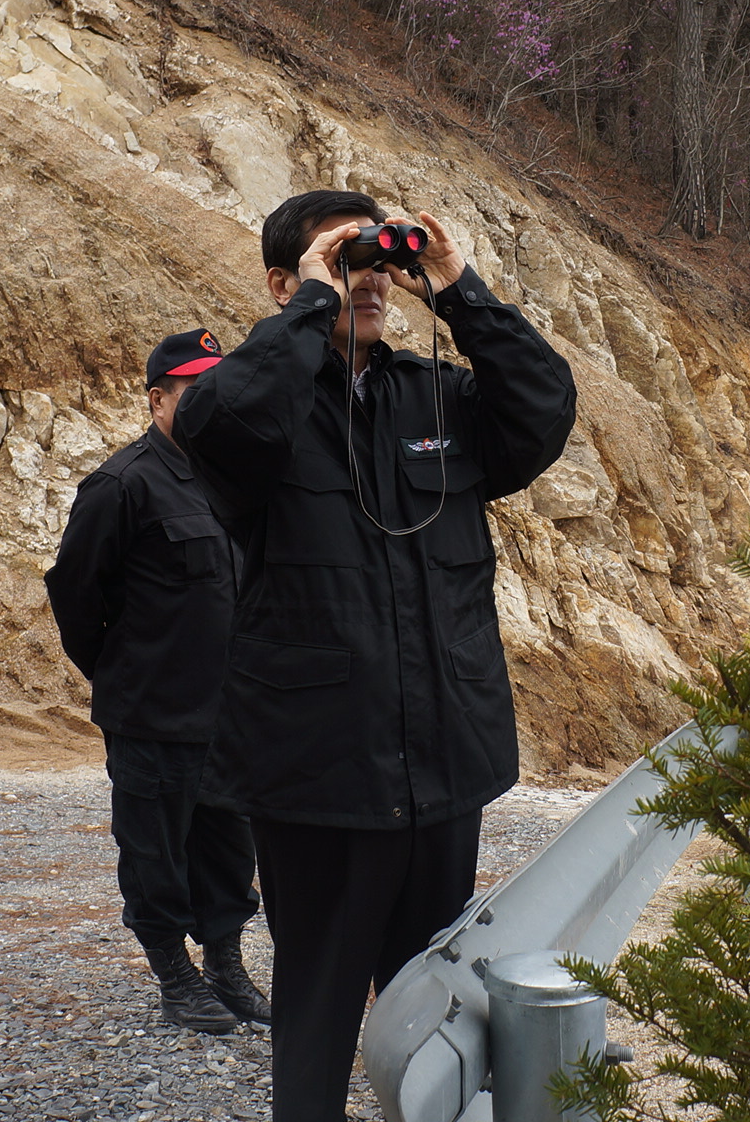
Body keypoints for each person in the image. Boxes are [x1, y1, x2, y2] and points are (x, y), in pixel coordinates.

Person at [174, 190, 577, 1122]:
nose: (368, 281)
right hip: (318, 764)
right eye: (340, 263)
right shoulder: (265, 405)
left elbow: (545, 409)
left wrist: (455, 284)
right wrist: (309, 309)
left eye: (375, 263)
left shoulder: (433, 396)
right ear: (286, 283)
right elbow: (220, 426)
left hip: (444, 751)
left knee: (431, 999)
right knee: (317, 999)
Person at [44, 328, 272, 1036]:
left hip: (225, 714)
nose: (212, 406)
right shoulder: (122, 484)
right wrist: (125, 673)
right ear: (157, 399)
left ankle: (226, 966)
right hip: (152, 712)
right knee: (155, 851)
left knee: (228, 848)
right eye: (195, 392)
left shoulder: (230, 481)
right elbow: (76, 594)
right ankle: (175, 974)